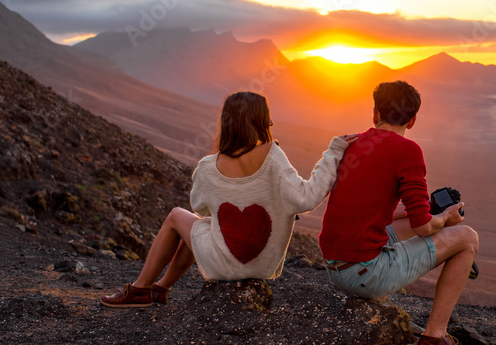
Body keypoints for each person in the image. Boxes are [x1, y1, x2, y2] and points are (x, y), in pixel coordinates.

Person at [101, 91, 356, 307]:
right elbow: (307, 199)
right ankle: (159, 288)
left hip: (221, 266)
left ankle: (141, 288)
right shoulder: (272, 155)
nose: (271, 124)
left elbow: (198, 206)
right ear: (261, 122)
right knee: (201, 228)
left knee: (178, 217)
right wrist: (333, 153)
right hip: (262, 265)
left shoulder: (208, 166)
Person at [319, 81, 481, 345]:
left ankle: (437, 327)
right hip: (364, 275)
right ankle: (435, 339)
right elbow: (422, 228)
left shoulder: (354, 144)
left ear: (374, 113)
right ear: (413, 120)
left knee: (416, 216)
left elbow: (374, 212)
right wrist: (447, 218)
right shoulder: (407, 150)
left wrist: (423, 213)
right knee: (467, 237)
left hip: (336, 266)